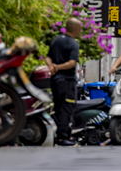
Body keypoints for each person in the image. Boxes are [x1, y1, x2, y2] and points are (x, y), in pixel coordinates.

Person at [46, 18, 81, 146]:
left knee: (59, 108)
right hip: (67, 81)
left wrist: (51, 67)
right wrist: (58, 67)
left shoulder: (56, 40)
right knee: (67, 109)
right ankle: (62, 137)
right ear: (76, 29)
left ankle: (65, 134)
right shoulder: (73, 44)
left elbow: (48, 57)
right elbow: (72, 63)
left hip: (55, 81)